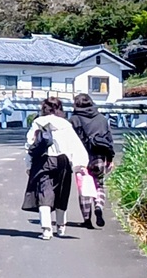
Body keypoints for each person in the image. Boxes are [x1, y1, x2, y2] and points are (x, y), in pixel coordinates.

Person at [22, 96, 89, 240]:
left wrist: (28, 165)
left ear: (43, 108)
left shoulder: (38, 123)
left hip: (43, 160)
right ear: (59, 109)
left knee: (44, 193)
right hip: (63, 161)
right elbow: (75, 145)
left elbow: (30, 145)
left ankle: (46, 230)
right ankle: (61, 227)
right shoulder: (65, 124)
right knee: (61, 193)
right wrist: (81, 164)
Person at [69, 93, 115, 229]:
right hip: (99, 156)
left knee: (84, 188)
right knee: (99, 184)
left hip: (81, 157)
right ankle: (99, 206)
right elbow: (109, 139)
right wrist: (110, 158)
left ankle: (87, 219)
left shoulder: (74, 119)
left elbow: (70, 140)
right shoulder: (101, 119)